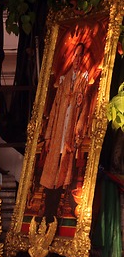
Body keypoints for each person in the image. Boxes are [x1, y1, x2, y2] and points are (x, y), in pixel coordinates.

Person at [39, 42, 90, 223]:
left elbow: (84, 109)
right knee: (51, 169)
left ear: (83, 58)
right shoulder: (63, 80)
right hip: (58, 131)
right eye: (75, 56)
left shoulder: (84, 79)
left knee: (64, 171)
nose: (77, 60)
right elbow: (54, 109)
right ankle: (47, 210)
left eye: (80, 56)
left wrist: (78, 133)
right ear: (72, 57)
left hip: (69, 133)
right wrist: (48, 136)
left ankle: (56, 212)